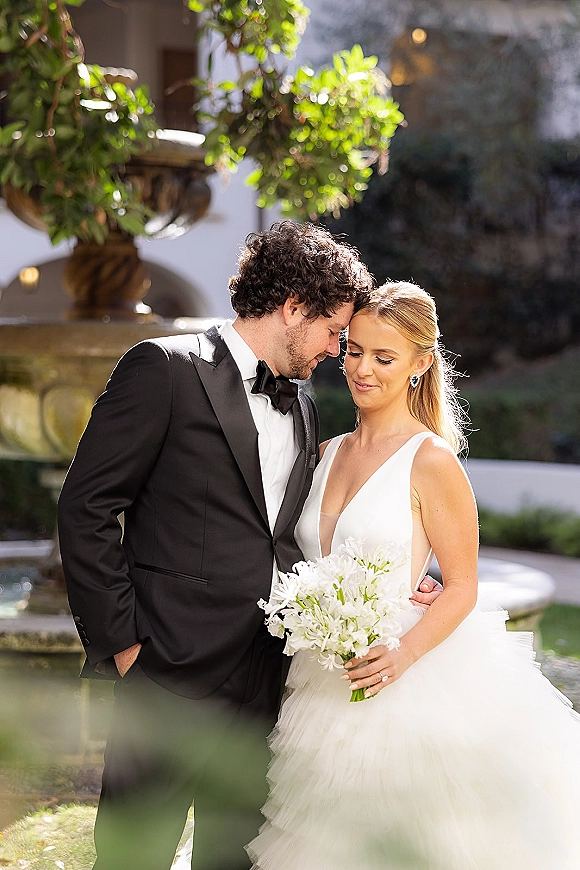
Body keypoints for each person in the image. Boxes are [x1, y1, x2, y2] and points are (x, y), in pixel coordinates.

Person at [58, 222, 441, 870]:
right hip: (166, 675)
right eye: (332, 331)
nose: (335, 350)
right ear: (292, 307)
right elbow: (86, 508)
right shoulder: (163, 370)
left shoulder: (302, 402)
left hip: (267, 678)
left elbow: (291, 531)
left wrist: (394, 584)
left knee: (235, 858)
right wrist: (124, 647)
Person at [247, 281, 580, 870]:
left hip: (402, 675)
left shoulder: (431, 460)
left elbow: (462, 584)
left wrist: (402, 652)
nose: (362, 369)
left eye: (384, 357)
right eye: (353, 351)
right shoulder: (323, 452)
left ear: (420, 364)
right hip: (315, 675)